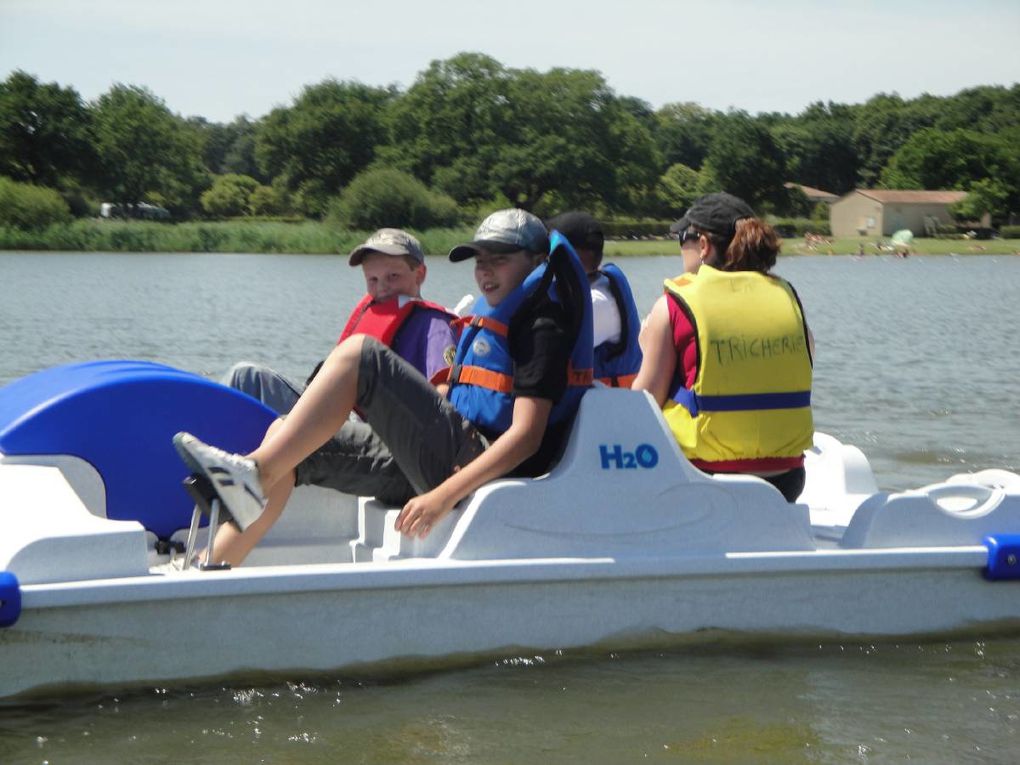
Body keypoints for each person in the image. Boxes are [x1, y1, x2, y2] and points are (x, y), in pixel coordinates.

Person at [173, 209, 593, 566]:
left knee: (362, 355)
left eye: (498, 259)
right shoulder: (498, 315)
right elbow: (458, 396)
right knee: (286, 436)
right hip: (448, 455)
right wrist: (407, 415)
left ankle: (253, 475)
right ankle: (212, 568)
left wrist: (443, 496)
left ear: (538, 261)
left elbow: (526, 438)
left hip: (473, 473)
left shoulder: (542, 325)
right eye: (479, 260)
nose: (484, 270)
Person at [632, 192, 814, 503]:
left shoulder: (674, 305)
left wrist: (645, 344)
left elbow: (642, 405)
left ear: (703, 245)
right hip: (786, 480)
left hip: (702, 478)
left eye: (682, 240)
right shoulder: (787, 296)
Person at [223, 228, 456, 414]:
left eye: (392, 276)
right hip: (330, 409)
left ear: (420, 274)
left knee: (244, 376)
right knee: (246, 376)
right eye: (372, 279)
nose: (382, 287)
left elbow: (443, 393)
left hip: (366, 427)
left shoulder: (435, 324)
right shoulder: (372, 312)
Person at [545, 211, 643, 387]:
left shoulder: (598, 302)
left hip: (607, 408)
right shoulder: (593, 287)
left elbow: (544, 350)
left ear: (569, 254)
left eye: (549, 248)